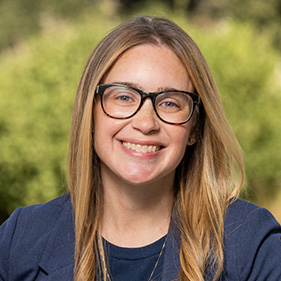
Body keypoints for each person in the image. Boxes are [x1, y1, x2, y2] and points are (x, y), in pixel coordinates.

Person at [0, 16, 281, 281]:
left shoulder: (255, 246)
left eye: (170, 102)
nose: (146, 123)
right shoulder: (20, 238)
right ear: (91, 114)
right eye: (123, 96)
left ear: (195, 126)